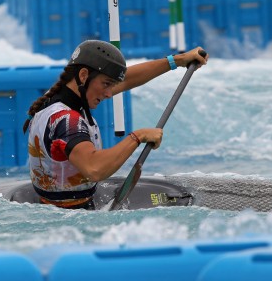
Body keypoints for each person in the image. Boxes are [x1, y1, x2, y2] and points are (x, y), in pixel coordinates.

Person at [23, 40, 208, 209]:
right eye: (106, 84)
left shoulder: (57, 99)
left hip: (59, 204)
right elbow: (94, 168)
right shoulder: (66, 121)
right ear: (83, 75)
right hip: (71, 214)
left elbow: (126, 79)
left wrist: (177, 60)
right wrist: (138, 137)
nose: (110, 94)